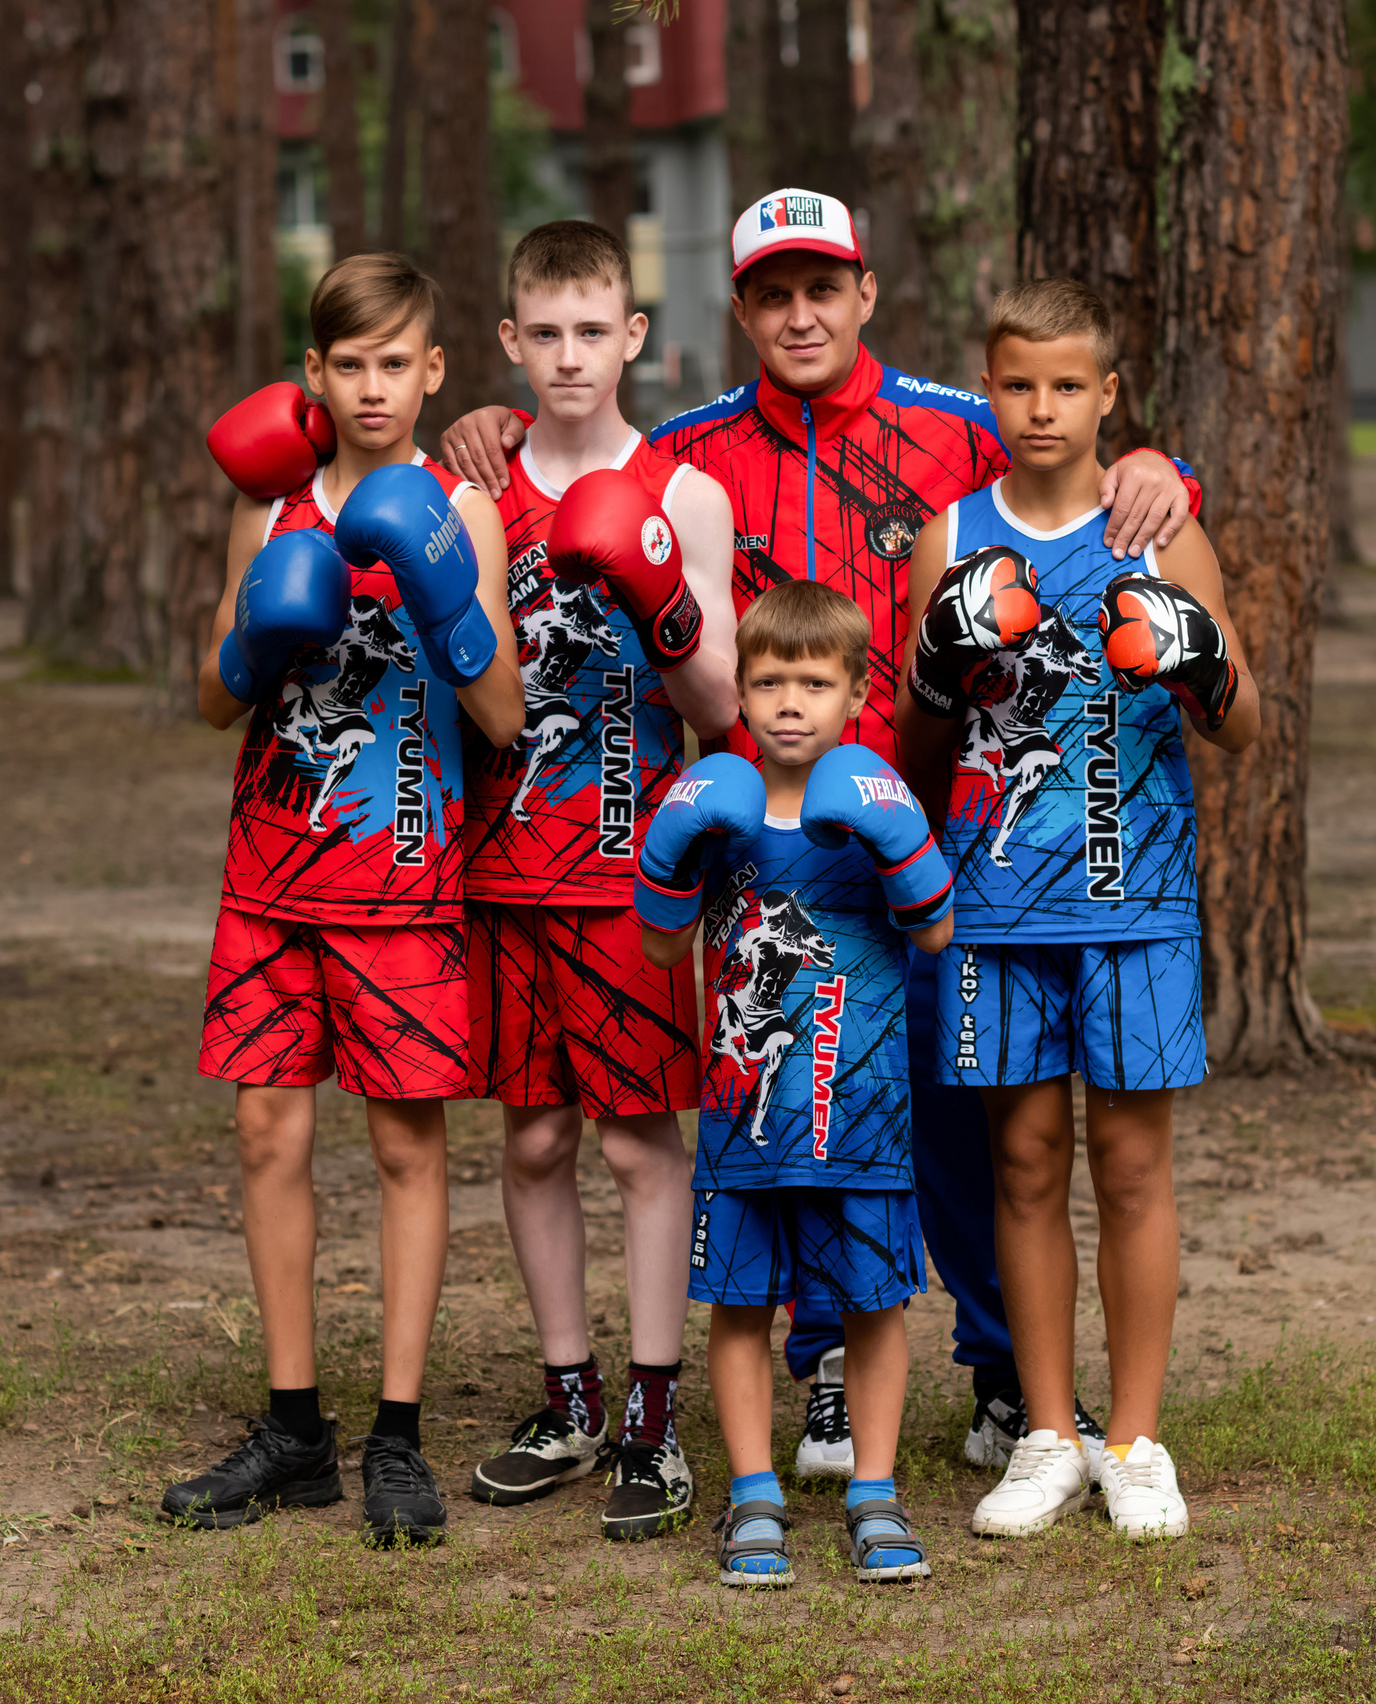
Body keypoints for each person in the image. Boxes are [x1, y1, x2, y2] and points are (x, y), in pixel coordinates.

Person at [439, 187, 1199, 1477]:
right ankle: (824, 1371)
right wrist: (488, 426)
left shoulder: (957, 429)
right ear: (739, 309)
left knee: (960, 1110)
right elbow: (583, 447)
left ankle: (1010, 1373)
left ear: (864, 295)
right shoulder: (689, 452)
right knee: (787, 1095)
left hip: (946, 819)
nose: (799, 313)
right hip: (765, 838)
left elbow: (1075, 464)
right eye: (772, 293)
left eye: (821, 288)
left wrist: (1159, 469)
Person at [162, 252, 524, 1549]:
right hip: (270, 873)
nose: (373, 388)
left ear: (431, 371)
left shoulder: (458, 510)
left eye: (395, 363)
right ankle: (293, 1428)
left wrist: (447, 607)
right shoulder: (268, 505)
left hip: (404, 877)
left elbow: (505, 719)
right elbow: (210, 696)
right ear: (315, 373)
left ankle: (399, 1436)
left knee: (404, 1148)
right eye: (348, 364)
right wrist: (256, 641)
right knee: (270, 1136)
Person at [893, 280, 1259, 1541]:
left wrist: (1199, 656)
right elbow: (915, 745)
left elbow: (1246, 725)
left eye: (1066, 386)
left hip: (1137, 903)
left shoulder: (1156, 528)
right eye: (1016, 384)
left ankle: (1138, 1437)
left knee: (1134, 1165)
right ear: (986, 388)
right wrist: (937, 669)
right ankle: (1047, 1432)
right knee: (1025, 1162)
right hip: (997, 908)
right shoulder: (951, 532)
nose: (1040, 408)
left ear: (1108, 393)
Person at [457, 221, 741, 1541]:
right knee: (530, 1140)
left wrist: (660, 594)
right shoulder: (478, 497)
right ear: (513, 343)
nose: (571, 358)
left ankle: (652, 1417)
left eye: (595, 332)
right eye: (546, 334)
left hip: (633, 878)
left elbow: (723, 703)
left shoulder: (683, 492)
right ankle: (567, 1397)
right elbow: (479, 709)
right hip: (507, 870)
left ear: (632, 338)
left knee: (637, 1142)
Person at [635, 580, 955, 1587]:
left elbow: (936, 933)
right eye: (769, 681)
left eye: (813, 683)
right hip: (743, 1120)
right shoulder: (716, 806)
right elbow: (656, 944)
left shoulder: (870, 796)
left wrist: (895, 835)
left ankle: (873, 1491)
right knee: (739, 1305)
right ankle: (754, 1494)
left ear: (855, 696)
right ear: (740, 692)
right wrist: (670, 844)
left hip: (863, 1113)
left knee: (872, 1305)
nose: (788, 703)